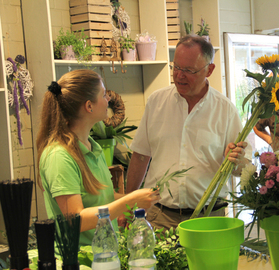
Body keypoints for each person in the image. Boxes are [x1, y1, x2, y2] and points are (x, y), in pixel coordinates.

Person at [124, 35, 252, 231]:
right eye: (176, 67)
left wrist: (236, 160)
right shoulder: (156, 102)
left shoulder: (225, 111)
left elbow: (242, 169)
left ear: (209, 70)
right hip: (159, 217)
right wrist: (127, 205)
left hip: (208, 218)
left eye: (189, 70)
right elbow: (140, 156)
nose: (179, 75)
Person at [36, 69, 160, 246]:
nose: (108, 99)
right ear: (89, 106)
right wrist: (129, 201)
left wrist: (140, 198)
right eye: (103, 95)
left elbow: (104, 198)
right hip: (79, 259)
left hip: (105, 253)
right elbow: (76, 219)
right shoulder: (59, 156)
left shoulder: (92, 146)